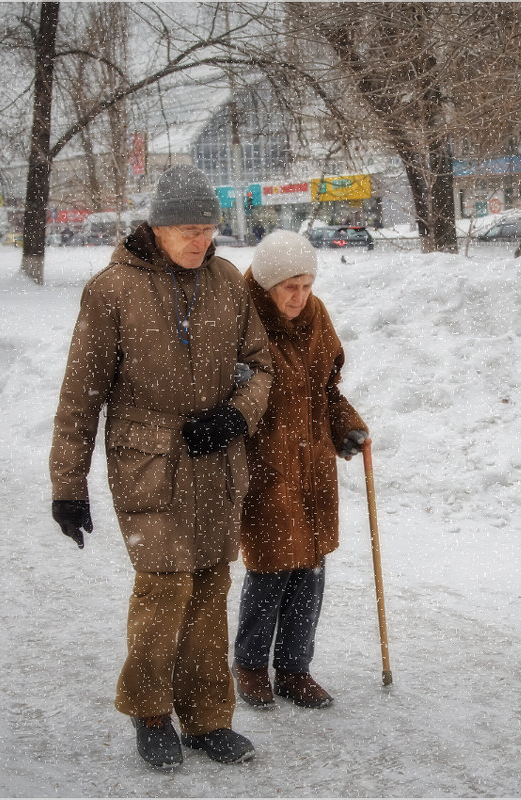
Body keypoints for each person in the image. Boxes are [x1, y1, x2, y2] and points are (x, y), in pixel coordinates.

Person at [49, 164, 273, 770]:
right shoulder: (111, 291)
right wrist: (68, 487)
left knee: (209, 585)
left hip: (216, 462)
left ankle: (206, 719)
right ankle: (151, 713)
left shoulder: (228, 281)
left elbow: (261, 366)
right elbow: (80, 396)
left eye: (208, 229)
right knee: (165, 586)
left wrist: (236, 416)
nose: (201, 242)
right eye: (187, 230)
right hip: (148, 462)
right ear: (157, 226)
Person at [232, 230, 368, 710]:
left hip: (312, 468)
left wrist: (347, 427)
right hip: (265, 467)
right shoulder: (242, 319)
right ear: (267, 283)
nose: (300, 296)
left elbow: (327, 389)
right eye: (290, 285)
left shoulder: (316, 317)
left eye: (307, 284)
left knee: (309, 569)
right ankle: (249, 664)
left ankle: (294, 668)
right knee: (270, 568)